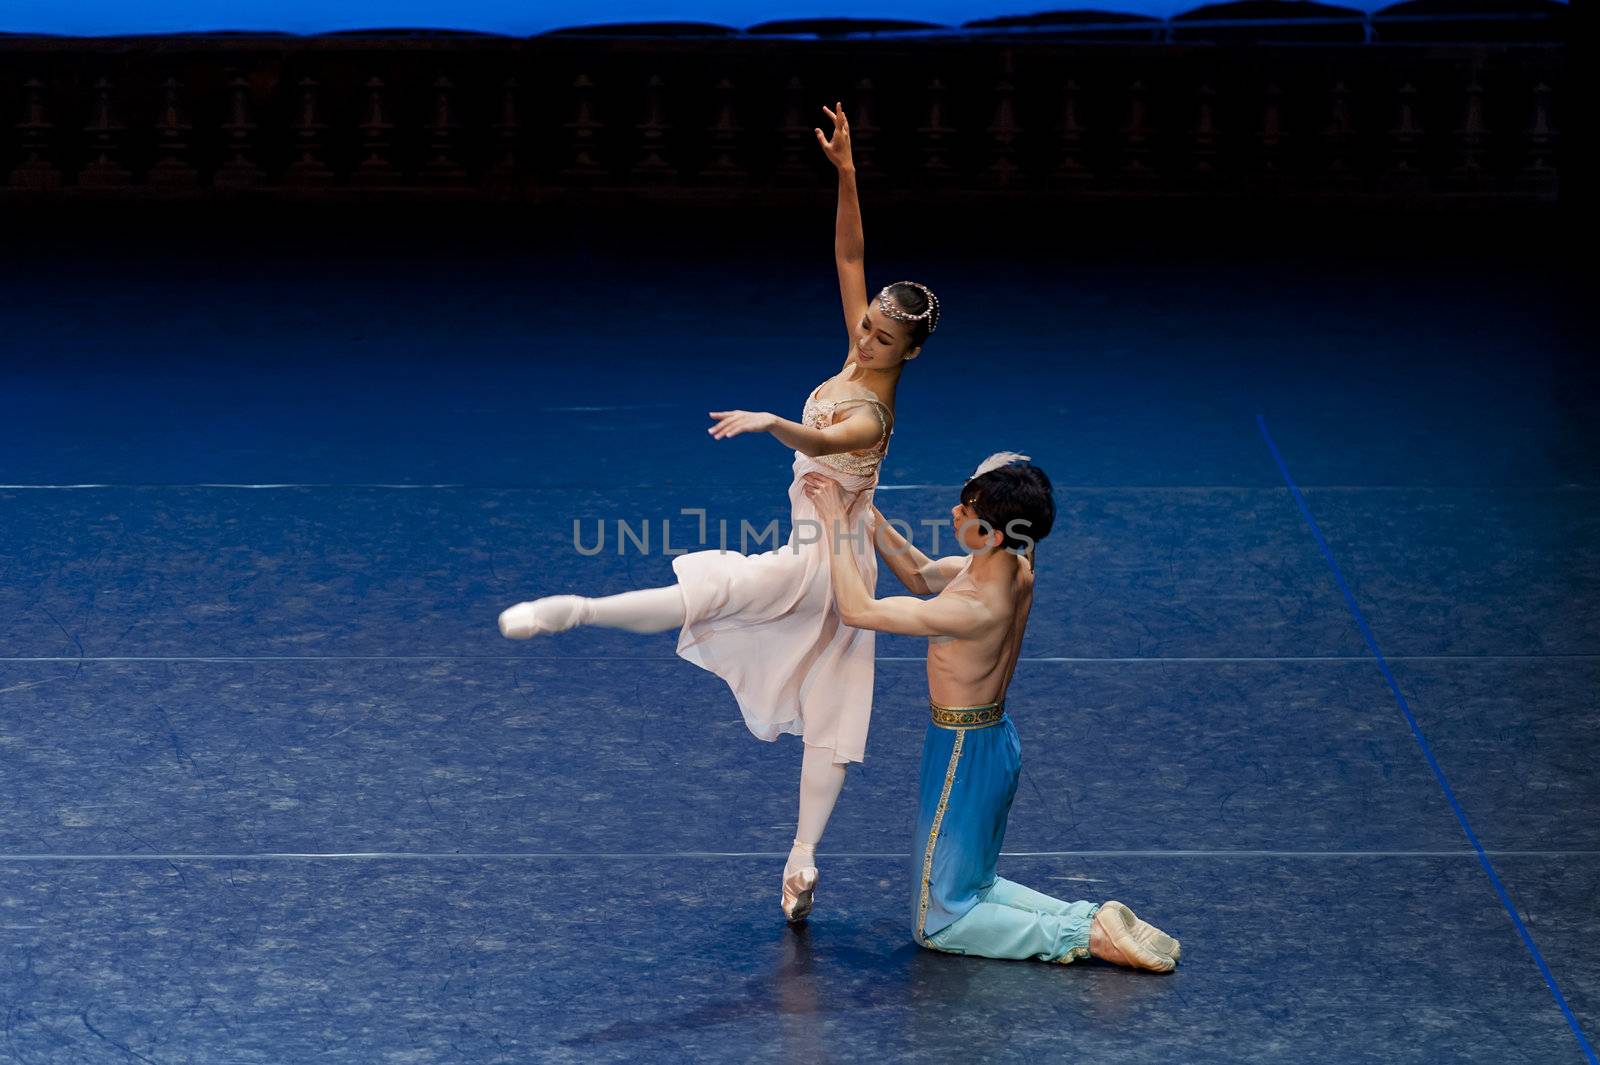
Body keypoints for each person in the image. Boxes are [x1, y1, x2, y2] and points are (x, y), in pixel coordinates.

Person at [498, 101, 937, 923]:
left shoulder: (874, 412)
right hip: (843, 552)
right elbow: (849, 252)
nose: (865, 338)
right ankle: (802, 859)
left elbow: (823, 433)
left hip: (825, 564)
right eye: (869, 324)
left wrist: (774, 423)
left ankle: (577, 610)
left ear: (908, 355)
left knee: (712, 594)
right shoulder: (861, 354)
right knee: (833, 709)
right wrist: (846, 175)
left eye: (880, 338)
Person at [801, 453, 1181, 970]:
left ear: (996, 533)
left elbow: (858, 610)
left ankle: (1082, 939)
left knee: (937, 922)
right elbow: (917, 574)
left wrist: (833, 526)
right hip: (991, 741)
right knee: (970, 885)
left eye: (969, 509)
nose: (956, 512)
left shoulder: (975, 604)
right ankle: (1090, 917)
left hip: (962, 754)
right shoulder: (1013, 567)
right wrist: (864, 510)